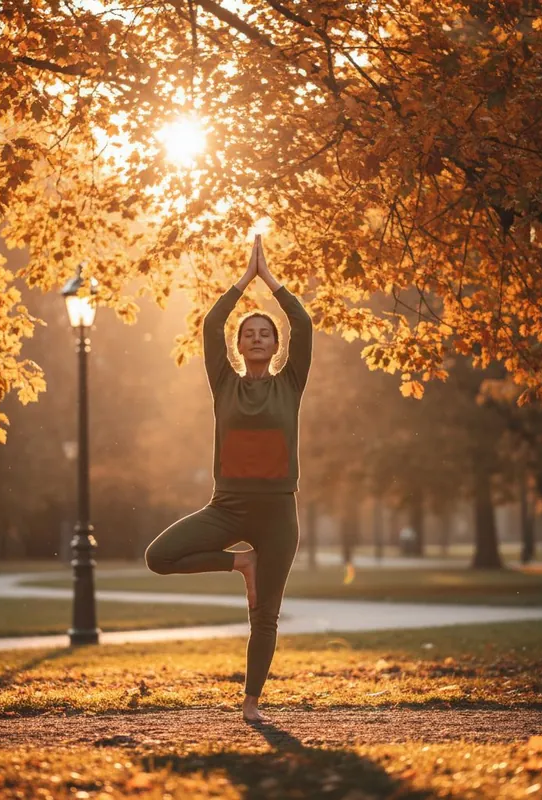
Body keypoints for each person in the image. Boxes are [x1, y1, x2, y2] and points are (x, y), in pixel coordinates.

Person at [144, 234, 313, 723]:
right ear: (239, 346)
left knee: (265, 615)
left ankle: (251, 702)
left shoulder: (291, 384)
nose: (257, 337)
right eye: (250, 333)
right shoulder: (223, 383)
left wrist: (270, 280)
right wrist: (243, 280)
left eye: (265, 333)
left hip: (279, 512)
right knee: (159, 557)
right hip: (227, 507)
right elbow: (212, 322)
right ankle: (241, 564)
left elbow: (301, 322)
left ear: (277, 346)